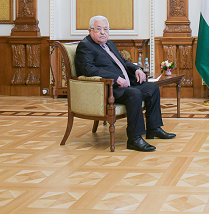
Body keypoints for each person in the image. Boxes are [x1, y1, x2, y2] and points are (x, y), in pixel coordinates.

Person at [75, 15, 176, 152]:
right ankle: (134, 139)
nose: (103, 32)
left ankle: (154, 128)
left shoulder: (109, 44)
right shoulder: (85, 46)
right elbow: (88, 69)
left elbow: (123, 62)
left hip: (126, 84)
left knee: (152, 87)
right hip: (108, 88)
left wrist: (137, 69)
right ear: (90, 30)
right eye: (98, 29)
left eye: (106, 29)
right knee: (134, 93)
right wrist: (115, 78)